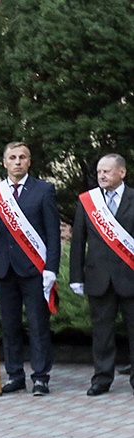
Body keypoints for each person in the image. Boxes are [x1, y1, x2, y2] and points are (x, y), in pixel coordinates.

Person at [0, 142, 60, 396]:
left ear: (29, 161)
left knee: (38, 325)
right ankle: (15, 375)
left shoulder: (44, 190)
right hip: (3, 269)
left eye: (22, 157)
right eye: (12, 157)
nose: (17, 161)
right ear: (4, 162)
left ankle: (41, 377)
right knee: (9, 326)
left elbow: (53, 233)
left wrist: (51, 268)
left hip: (34, 269)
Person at [69, 153, 134, 396]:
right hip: (98, 278)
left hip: (130, 276)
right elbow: (77, 241)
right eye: (99, 172)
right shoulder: (88, 202)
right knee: (102, 333)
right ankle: (102, 378)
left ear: (122, 173)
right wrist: (76, 276)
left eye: (107, 171)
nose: (102, 175)